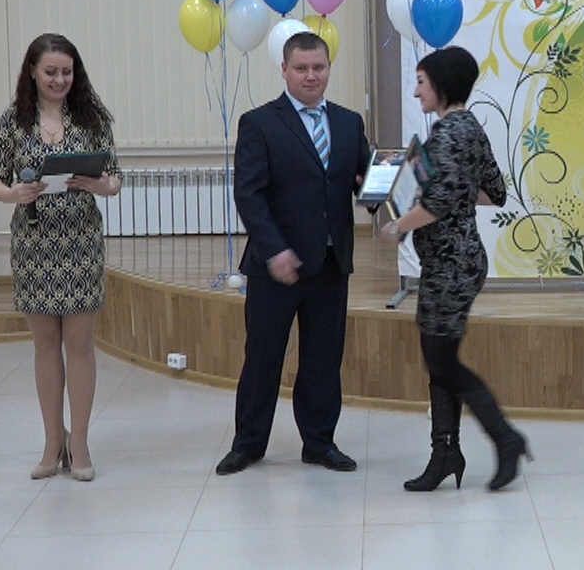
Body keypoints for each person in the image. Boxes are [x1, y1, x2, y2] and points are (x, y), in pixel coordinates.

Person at [216, 32, 372, 475]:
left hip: (331, 263)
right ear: (284, 70)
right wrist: (275, 250)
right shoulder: (260, 123)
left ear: (329, 68)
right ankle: (248, 444)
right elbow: (249, 195)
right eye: (301, 68)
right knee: (263, 358)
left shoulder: (349, 123)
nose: (310, 76)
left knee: (323, 359)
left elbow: (363, 181)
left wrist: (383, 194)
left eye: (318, 67)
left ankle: (319, 442)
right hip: (275, 267)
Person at [379, 46, 529, 491]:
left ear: (441, 85)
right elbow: (494, 192)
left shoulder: (446, 134)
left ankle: (504, 438)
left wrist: (398, 225)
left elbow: (439, 202)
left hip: (450, 262)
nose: (416, 92)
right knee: (439, 358)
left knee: (441, 359)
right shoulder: (471, 128)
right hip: (460, 260)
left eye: (421, 83)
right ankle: (445, 453)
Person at [0, 33, 121, 481]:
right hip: (34, 244)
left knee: (79, 343)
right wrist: (15, 193)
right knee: (45, 344)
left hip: (80, 243)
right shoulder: (13, 122)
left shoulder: (91, 118)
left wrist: (100, 185)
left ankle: (79, 442)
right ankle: (52, 440)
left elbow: (115, 178)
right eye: (51, 72)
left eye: (67, 72)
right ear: (32, 72)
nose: (59, 80)